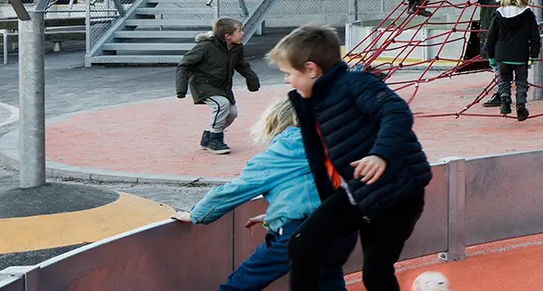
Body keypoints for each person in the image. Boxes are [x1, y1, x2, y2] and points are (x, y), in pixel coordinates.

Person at [274, 24, 433, 291]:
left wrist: (380, 155)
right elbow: (319, 161)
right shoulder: (311, 101)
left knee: (375, 274)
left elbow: (396, 112)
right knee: (302, 245)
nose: (287, 81)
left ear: (311, 69)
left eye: (289, 74)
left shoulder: (356, 83)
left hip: (398, 195)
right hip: (358, 191)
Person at [173, 97, 355, 291]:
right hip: (341, 228)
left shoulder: (284, 150)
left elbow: (235, 189)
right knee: (328, 281)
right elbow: (312, 191)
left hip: (300, 231)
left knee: (241, 283)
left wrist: (195, 214)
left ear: (277, 121)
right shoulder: (332, 143)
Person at [176, 17, 261, 155]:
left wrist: (252, 81)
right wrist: (181, 89)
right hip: (203, 85)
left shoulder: (236, 48)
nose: (242, 33)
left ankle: (208, 137)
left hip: (222, 86)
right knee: (222, 105)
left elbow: (242, 65)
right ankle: (215, 140)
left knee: (232, 113)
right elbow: (184, 64)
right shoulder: (205, 47)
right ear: (228, 36)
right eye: (239, 31)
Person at [484, 0, 540, 121]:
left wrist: (490, 56)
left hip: (502, 54)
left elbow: (491, 38)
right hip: (520, 54)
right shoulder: (528, 14)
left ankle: (504, 101)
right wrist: (534, 55)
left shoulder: (499, 14)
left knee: (504, 80)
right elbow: (534, 37)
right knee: (521, 82)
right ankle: (521, 106)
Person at [464, 0, 506, 89]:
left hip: (496, 42)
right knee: (498, 69)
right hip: (491, 40)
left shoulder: (496, 3)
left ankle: (502, 95)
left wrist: (489, 40)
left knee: (500, 69)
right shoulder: (487, 2)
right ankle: (502, 93)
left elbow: (495, 25)